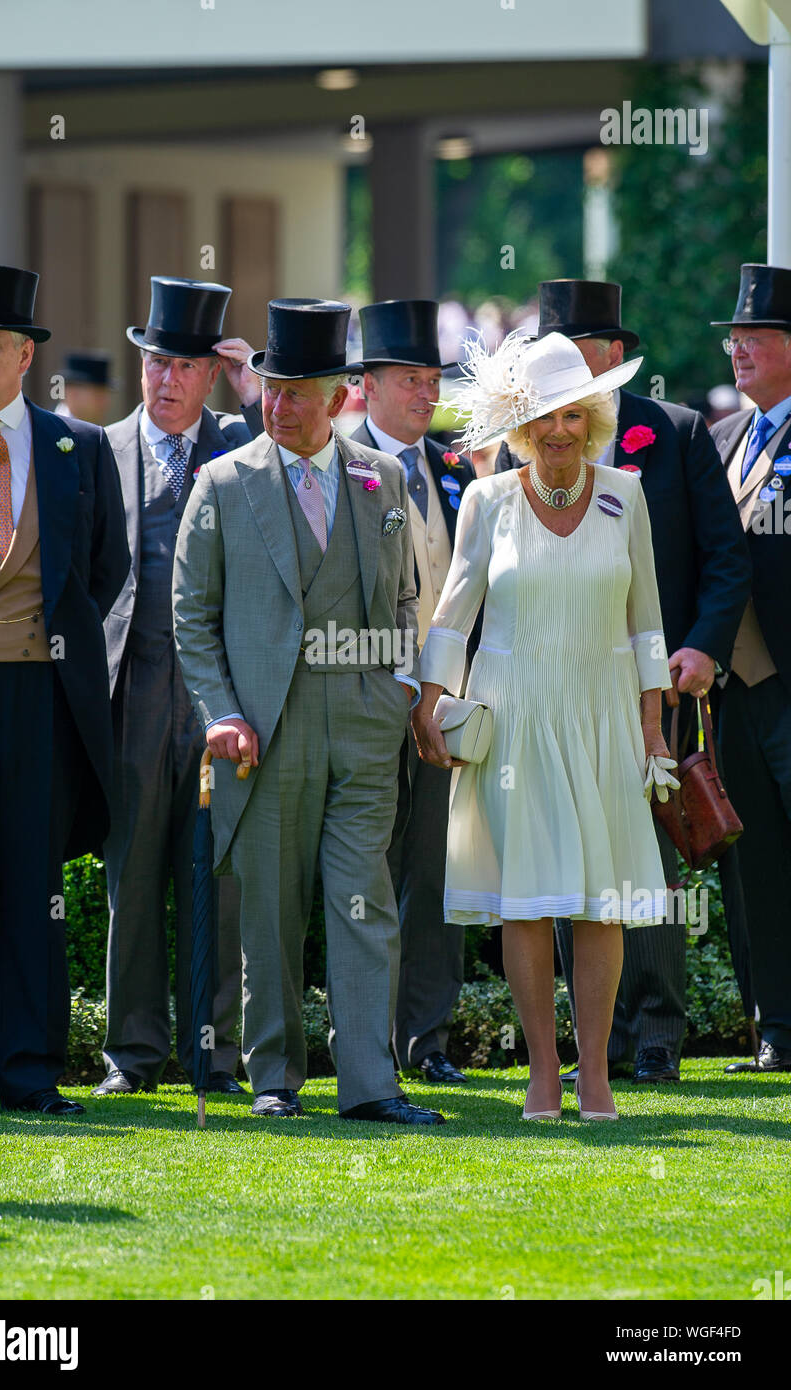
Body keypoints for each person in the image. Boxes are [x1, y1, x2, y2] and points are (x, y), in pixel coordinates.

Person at [173, 297, 443, 1125]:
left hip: (362, 728)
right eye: (270, 388)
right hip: (264, 730)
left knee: (364, 903)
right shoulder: (222, 483)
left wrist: (398, 687)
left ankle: (371, 1085)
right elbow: (191, 614)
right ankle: (274, 1080)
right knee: (272, 909)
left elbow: (403, 597)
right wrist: (220, 712)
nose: (278, 405)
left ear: (338, 397)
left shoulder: (383, 479)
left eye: (297, 391)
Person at [412, 329, 674, 1122]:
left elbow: (648, 624)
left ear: (592, 417)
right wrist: (429, 699)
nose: (558, 432)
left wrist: (654, 729)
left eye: (572, 415)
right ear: (519, 429)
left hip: (602, 716)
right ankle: (542, 1073)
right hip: (513, 717)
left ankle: (594, 1074)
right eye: (543, 420)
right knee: (523, 901)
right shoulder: (487, 500)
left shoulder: (625, 494)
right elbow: (454, 612)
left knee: (600, 901)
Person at [495, 281, 750, 1084]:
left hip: (649, 690)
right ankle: (587, 1047)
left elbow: (724, 557)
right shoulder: (516, 452)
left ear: (613, 356)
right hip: (544, 693)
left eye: (582, 352)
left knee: (643, 861)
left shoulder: (673, 433)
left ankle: (654, 1037)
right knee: (561, 860)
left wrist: (702, 649)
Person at [0, 262, 129, 1119]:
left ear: (24, 355)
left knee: (32, 887)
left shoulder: (74, 449)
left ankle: (34, 1071)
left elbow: (107, 566)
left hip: (44, 698)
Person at [95, 276, 263, 1097]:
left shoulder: (240, 443)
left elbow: (303, 459)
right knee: (131, 879)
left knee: (217, 881)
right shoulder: (98, 449)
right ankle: (131, 1057)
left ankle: (215, 1059)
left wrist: (254, 388)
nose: (165, 380)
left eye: (185, 367)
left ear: (210, 374)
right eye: (156, 362)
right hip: (132, 696)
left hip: (219, 699)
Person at [353, 298, 475, 1085]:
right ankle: (361, 1038)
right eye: (410, 379)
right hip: (362, 696)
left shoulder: (458, 469)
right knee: (362, 870)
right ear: (366, 385)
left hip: (444, 699)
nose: (426, 393)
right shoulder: (339, 464)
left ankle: (424, 1040)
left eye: (433, 378)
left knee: (435, 869)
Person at [709, 263, 791, 1074]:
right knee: (753, 862)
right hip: (737, 696)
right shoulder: (724, 436)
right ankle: (777, 1026)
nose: (737, 349)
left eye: (755, 336)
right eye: (734, 337)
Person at [54, 351, 117, 425]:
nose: (106, 402)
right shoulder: (48, 430)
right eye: (98, 395)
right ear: (72, 394)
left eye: (106, 395)